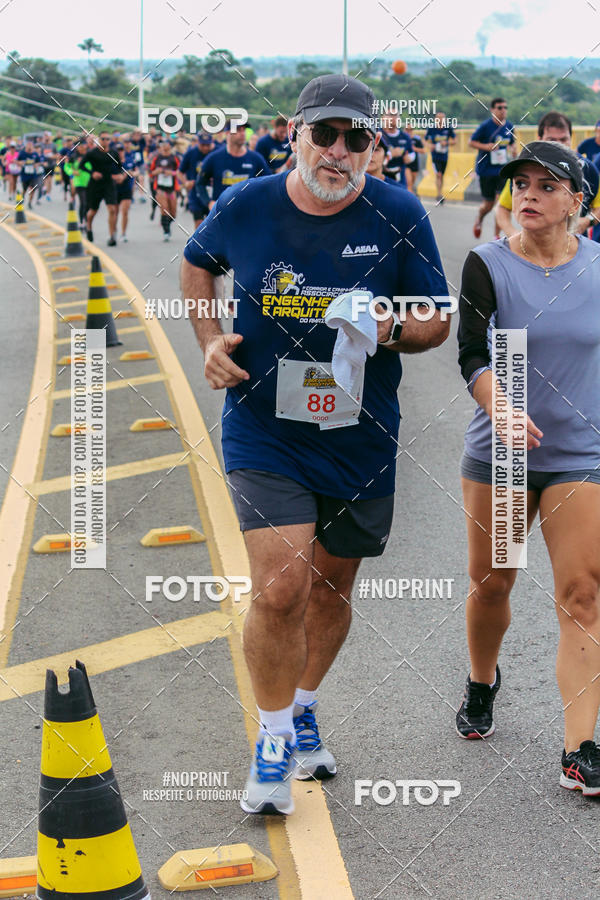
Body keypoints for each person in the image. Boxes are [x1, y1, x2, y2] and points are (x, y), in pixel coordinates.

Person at [181, 74, 451, 816]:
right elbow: (198, 261)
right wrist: (209, 341)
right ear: (294, 133)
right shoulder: (246, 203)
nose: (338, 152)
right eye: (325, 134)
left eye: (355, 139)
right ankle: (270, 739)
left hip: (359, 435)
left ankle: (302, 707)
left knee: (332, 588)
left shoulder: (397, 212)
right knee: (280, 587)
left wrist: (388, 326)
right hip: (264, 426)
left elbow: (437, 318)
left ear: (373, 146)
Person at [456, 140, 600, 796]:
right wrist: (504, 409)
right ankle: (482, 679)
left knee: (583, 595)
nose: (530, 195)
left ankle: (580, 746)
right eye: (521, 184)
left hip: (579, 457)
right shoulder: (489, 264)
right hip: (504, 458)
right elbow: (472, 357)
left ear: (579, 201)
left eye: (548, 185)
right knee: (493, 585)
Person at [496, 112, 600, 239]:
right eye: (552, 140)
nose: (559, 145)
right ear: (540, 138)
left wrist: (587, 221)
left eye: (563, 139)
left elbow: (598, 208)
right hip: (531, 248)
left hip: (574, 248)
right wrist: (514, 236)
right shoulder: (526, 170)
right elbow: (502, 209)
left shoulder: (588, 170)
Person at [470, 98, 517, 238]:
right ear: (492, 110)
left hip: (502, 170)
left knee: (499, 204)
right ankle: (479, 218)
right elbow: (471, 142)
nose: (503, 110)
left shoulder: (509, 126)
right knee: (488, 205)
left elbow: (512, 143)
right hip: (486, 170)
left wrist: (513, 150)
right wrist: (487, 147)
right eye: (499, 108)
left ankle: (497, 236)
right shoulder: (485, 126)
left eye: (505, 107)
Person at [195, 121, 267, 211]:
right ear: (227, 133)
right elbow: (200, 183)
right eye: (238, 130)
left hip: (248, 212)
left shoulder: (256, 158)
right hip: (222, 213)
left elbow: (267, 184)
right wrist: (209, 203)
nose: (242, 133)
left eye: (243, 130)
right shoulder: (214, 158)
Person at [81, 132, 121, 245]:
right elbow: (81, 166)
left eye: (108, 139)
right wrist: (92, 173)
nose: (105, 141)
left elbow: (119, 167)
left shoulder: (113, 152)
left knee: (112, 209)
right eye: (103, 139)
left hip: (109, 183)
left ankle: (112, 236)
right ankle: (88, 227)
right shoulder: (92, 153)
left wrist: (119, 175)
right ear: (99, 140)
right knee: (93, 210)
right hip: (95, 184)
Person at [178, 132, 215, 227]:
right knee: (199, 225)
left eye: (208, 145)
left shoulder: (216, 153)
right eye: (203, 145)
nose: (206, 148)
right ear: (198, 142)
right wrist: (186, 183)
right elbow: (180, 172)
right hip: (196, 193)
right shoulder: (190, 153)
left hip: (213, 193)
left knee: (212, 225)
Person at [149, 139, 180, 240]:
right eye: (162, 144)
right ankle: (166, 231)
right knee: (164, 209)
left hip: (172, 188)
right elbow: (150, 172)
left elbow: (180, 172)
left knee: (173, 213)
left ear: (170, 146)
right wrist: (156, 172)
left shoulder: (175, 158)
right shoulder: (156, 158)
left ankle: (166, 223)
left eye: (166, 144)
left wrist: (172, 173)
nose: (164, 146)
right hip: (160, 187)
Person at [425, 111, 456, 203]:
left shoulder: (448, 128)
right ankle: (439, 195)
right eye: (438, 118)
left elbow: (455, 140)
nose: (440, 120)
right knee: (438, 174)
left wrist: (446, 143)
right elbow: (425, 140)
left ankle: (440, 192)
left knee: (441, 175)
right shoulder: (431, 128)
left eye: (442, 118)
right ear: (435, 119)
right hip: (435, 156)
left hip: (444, 155)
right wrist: (430, 146)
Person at [114, 142, 139, 242]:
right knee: (114, 212)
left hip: (126, 189)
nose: (120, 152)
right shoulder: (113, 162)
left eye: (121, 150)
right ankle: (114, 231)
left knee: (124, 212)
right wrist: (121, 176)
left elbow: (137, 171)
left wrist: (131, 173)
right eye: (118, 151)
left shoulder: (129, 160)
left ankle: (123, 233)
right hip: (115, 189)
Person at [380, 116, 414, 186]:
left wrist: (409, 158)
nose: (392, 119)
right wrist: (391, 154)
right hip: (381, 178)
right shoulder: (378, 134)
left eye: (395, 116)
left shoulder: (405, 136)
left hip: (400, 178)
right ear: (383, 118)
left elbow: (411, 153)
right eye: (389, 115)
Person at [17, 140, 42, 208]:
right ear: (26, 145)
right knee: (25, 189)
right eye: (28, 145)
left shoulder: (35, 154)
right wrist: (20, 163)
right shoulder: (22, 153)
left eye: (31, 145)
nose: (29, 146)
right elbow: (17, 161)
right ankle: (23, 197)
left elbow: (38, 162)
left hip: (33, 175)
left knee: (32, 189)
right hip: (24, 175)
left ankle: (30, 203)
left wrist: (36, 165)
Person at [403, 124, 426, 193]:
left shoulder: (416, 139)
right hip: (406, 163)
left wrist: (414, 149)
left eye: (410, 129)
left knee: (412, 183)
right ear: (404, 130)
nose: (409, 131)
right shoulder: (402, 138)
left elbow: (423, 151)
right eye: (407, 129)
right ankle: (410, 199)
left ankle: (410, 195)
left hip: (415, 163)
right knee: (409, 182)